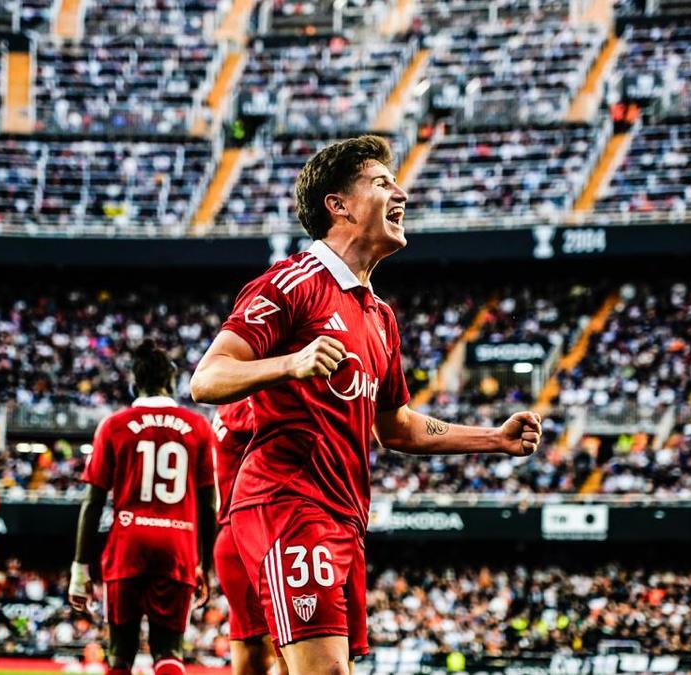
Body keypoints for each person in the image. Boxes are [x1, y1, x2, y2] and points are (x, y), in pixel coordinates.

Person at [191, 135, 543, 674]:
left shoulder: (380, 317)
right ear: (339, 205)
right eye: (383, 183)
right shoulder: (292, 284)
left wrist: (492, 438)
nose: (400, 193)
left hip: (346, 516)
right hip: (289, 502)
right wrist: (290, 363)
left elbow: (397, 427)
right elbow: (207, 378)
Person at [69, 340, 218, 675]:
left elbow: (92, 503)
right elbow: (210, 506)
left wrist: (80, 569)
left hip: (128, 545)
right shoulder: (198, 428)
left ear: (134, 384)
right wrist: (206, 565)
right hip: (178, 546)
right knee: (170, 653)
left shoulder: (114, 425)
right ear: (172, 383)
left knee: (120, 654)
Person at [211, 399, 288, 675]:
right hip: (252, 535)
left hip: (235, 538)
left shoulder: (226, 406)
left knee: (250, 655)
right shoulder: (245, 405)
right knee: (290, 650)